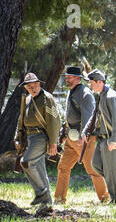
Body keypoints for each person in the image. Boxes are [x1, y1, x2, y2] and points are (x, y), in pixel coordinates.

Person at [54, 66, 109, 204]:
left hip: (83, 139)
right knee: (63, 167)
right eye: (66, 77)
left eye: (70, 77)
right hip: (71, 138)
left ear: (78, 78)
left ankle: (105, 198)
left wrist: (83, 137)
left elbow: (89, 118)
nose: (67, 79)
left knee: (92, 169)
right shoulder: (71, 92)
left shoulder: (85, 94)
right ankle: (59, 199)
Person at [82, 69, 116, 204]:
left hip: (110, 138)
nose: (90, 85)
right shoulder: (102, 96)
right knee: (96, 164)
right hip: (102, 138)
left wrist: (114, 140)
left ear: (99, 82)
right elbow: (95, 115)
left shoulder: (111, 97)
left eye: (92, 82)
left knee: (110, 170)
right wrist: (85, 130)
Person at [14, 73, 61, 205]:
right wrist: (17, 137)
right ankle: (47, 203)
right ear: (26, 88)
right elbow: (21, 119)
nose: (33, 88)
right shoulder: (27, 99)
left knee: (26, 162)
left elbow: (54, 121)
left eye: (35, 85)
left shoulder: (47, 98)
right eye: (30, 87)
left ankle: (42, 194)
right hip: (29, 137)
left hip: (41, 137)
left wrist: (53, 143)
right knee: (40, 169)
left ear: (39, 84)